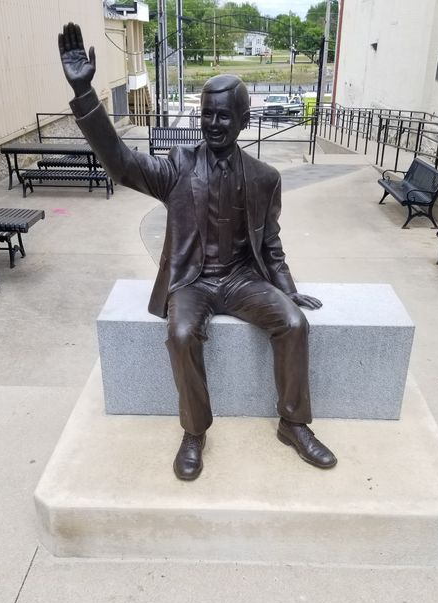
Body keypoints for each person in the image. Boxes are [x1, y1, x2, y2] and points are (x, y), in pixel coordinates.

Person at [58, 23, 337, 480]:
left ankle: (293, 422)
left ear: (246, 120)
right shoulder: (180, 166)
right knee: (182, 334)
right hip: (193, 281)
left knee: (292, 322)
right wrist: (86, 95)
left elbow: (270, 242)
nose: (213, 123)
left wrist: (288, 288)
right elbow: (123, 165)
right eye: (207, 114)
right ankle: (194, 431)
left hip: (244, 279)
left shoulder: (266, 177)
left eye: (225, 116)